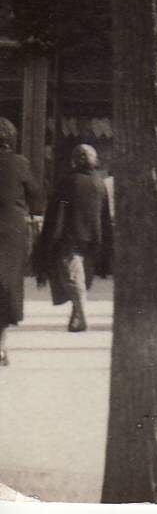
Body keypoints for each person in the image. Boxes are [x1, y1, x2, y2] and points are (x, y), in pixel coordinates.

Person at [33, 143, 112, 333]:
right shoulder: (99, 184)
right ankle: (76, 316)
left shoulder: (67, 182)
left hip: (70, 237)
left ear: (75, 161)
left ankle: (81, 315)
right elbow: (104, 216)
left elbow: (55, 213)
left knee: (72, 278)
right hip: (93, 238)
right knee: (81, 277)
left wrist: (48, 241)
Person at [0, 119, 43, 367]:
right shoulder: (19, 163)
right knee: (6, 286)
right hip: (10, 232)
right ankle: (1, 346)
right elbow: (37, 195)